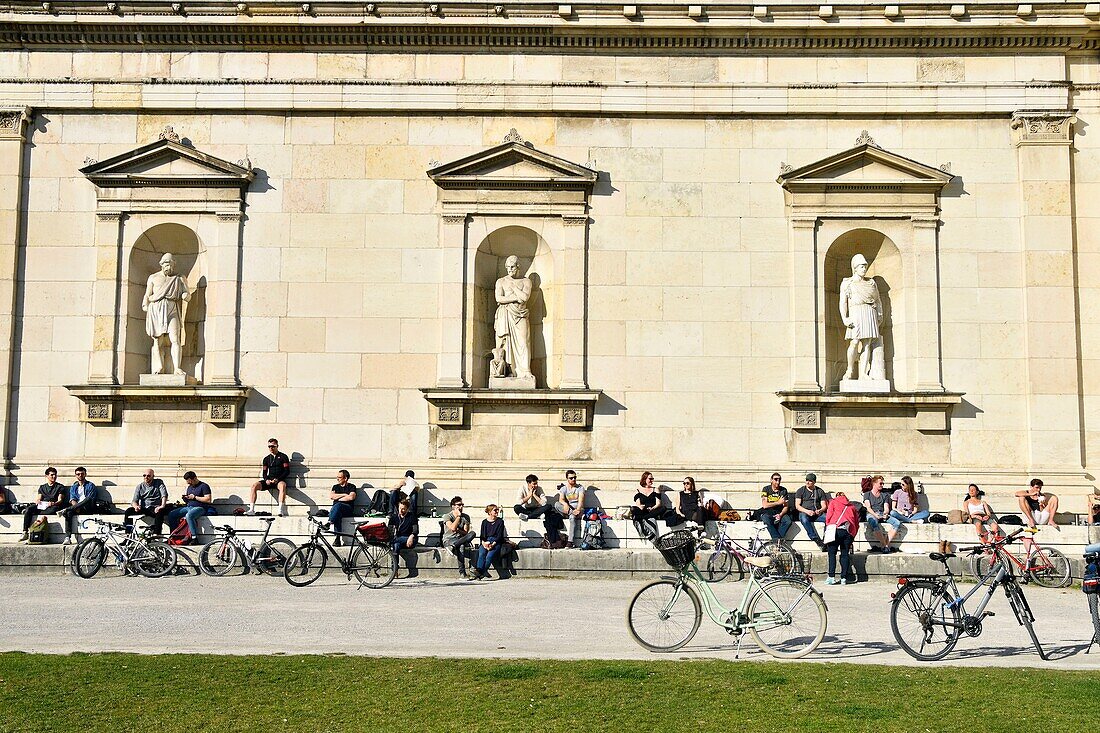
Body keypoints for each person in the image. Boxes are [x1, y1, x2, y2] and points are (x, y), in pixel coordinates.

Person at [142, 252, 191, 376]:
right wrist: (145, 305)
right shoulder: (153, 277)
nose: (168, 267)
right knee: (157, 341)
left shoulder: (179, 278)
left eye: (170, 265)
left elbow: (187, 293)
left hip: (171, 308)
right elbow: (148, 294)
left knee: (175, 339)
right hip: (156, 309)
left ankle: (177, 368)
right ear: (161, 265)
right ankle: (159, 367)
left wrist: (186, 295)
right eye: (166, 264)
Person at [19, 467, 67, 542]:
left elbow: (60, 500)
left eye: (55, 475)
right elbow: (39, 498)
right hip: (43, 505)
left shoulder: (60, 487)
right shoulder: (42, 487)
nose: (54, 477)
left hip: (53, 505)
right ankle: (25, 532)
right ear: (47, 476)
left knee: (53, 510)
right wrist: (38, 501)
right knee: (29, 509)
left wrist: (53, 503)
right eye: (52, 475)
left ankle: (29, 512)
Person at [165, 471, 214, 543]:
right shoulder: (189, 487)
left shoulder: (204, 486)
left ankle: (194, 537)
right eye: (188, 482)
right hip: (189, 506)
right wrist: (186, 499)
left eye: (190, 482)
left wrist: (194, 497)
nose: (189, 484)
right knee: (172, 514)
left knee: (189, 516)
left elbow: (208, 499)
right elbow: (189, 500)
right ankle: (174, 536)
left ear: (195, 478)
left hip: (200, 507)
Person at [514, 473, 563, 543]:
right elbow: (518, 502)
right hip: (527, 509)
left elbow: (544, 503)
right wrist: (529, 496)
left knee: (548, 506)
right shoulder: (522, 488)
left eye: (536, 483)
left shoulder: (539, 489)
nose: (536, 485)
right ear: (528, 483)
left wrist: (534, 495)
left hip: (537, 509)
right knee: (516, 508)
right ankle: (535, 515)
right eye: (534, 484)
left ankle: (528, 516)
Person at [246, 438, 290, 517]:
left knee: (283, 486)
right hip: (269, 480)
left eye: (273, 446)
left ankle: (280, 510)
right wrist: (266, 480)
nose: (271, 448)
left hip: (279, 480)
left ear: (277, 446)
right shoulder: (266, 459)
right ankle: (251, 509)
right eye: (269, 446)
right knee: (254, 486)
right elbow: (264, 472)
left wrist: (278, 479)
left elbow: (287, 471)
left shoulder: (283, 457)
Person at [824, 492, 859, 585]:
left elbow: (828, 517)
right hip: (847, 532)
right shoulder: (852, 507)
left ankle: (831, 577)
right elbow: (856, 523)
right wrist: (853, 535)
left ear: (837, 497)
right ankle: (844, 578)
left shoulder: (833, 502)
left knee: (832, 554)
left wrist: (828, 527)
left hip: (835, 530)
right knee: (845, 554)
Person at [59, 467, 99, 545]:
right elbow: (72, 499)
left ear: (85, 474)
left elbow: (89, 499)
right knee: (68, 513)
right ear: (76, 475)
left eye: (82, 474)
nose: (80, 475)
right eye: (78, 474)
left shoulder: (91, 485)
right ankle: (68, 537)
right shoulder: (74, 486)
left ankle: (67, 509)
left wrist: (77, 507)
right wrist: (76, 506)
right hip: (77, 507)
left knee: (85, 501)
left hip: (88, 507)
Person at [123, 469, 170, 535]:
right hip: (145, 508)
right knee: (128, 511)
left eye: (148, 476)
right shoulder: (140, 486)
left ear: (153, 476)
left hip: (156, 508)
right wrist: (136, 506)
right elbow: (134, 501)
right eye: (144, 475)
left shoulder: (159, 482)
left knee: (160, 511)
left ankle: (157, 534)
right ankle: (128, 534)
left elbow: (164, 495)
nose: (146, 477)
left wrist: (162, 505)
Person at [441, 496, 475, 578]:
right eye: (459, 505)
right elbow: (452, 528)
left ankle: (454, 546)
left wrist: (458, 530)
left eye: (462, 505)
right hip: (449, 540)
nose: (461, 507)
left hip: (460, 539)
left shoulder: (466, 517)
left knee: (472, 533)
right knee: (461, 546)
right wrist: (458, 517)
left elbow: (465, 532)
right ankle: (462, 573)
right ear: (453, 506)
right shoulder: (447, 516)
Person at [471, 504, 506, 581]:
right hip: (486, 541)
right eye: (495, 510)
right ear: (490, 512)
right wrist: (483, 543)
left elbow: (500, 536)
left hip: (495, 542)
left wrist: (493, 544)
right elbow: (482, 535)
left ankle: (480, 573)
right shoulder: (484, 522)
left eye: (497, 510)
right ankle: (481, 572)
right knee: (482, 554)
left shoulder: (500, 521)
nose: (497, 511)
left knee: (489, 556)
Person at [863, 475, 898, 553]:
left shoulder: (884, 495)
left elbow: (886, 506)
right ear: (874, 483)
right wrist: (875, 515)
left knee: (897, 523)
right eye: (880, 483)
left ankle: (886, 544)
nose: (882, 485)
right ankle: (885, 546)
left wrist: (885, 513)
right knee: (873, 522)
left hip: (882, 513)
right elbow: (868, 507)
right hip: (872, 513)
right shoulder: (867, 494)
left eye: (883, 483)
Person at [795, 473, 829, 549]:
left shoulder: (819, 491)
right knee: (804, 519)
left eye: (810, 481)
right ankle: (815, 538)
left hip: (817, 513)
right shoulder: (801, 490)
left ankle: (826, 540)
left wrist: (820, 510)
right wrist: (807, 511)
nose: (807, 482)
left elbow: (824, 506)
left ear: (814, 482)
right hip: (805, 512)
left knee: (828, 519)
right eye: (806, 480)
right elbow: (797, 506)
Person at [554, 469, 585, 547]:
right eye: (571, 478)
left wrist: (577, 510)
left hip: (578, 509)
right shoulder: (564, 488)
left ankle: (570, 542)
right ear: (567, 479)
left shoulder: (580, 488)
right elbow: (561, 499)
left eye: (575, 477)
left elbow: (581, 501)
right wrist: (565, 504)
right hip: (568, 509)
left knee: (572, 517)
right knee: (556, 504)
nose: (573, 479)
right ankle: (570, 513)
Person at [631, 471, 665, 540]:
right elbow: (638, 504)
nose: (652, 480)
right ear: (645, 479)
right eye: (650, 479)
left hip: (653, 510)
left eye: (652, 479)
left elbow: (658, 503)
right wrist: (641, 507)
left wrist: (653, 508)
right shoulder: (638, 490)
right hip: (643, 510)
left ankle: (643, 518)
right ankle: (644, 517)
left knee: (663, 508)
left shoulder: (655, 489)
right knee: (633, 509)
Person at [760, 472, 792, 541]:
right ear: (771, 480)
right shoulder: (766, 489)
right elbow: (765, 505)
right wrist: (778, 502)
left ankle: (776, 541)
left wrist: (780, 515)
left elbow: (786, 506)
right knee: (765, 518)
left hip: (779, 511)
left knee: (788, 521)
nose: (778, 481)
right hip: (768, 511)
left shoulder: (783, 490)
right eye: (775, 479)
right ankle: (778, 541)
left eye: (779, 479)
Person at [328, 470, 356, 546]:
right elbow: (331, 496)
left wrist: (337, 498)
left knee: (338, 505)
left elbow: (351, 497)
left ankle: (329, 522)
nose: (337, 479)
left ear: (345, 478)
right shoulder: (335, 487)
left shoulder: (351, 486)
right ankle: (337, 539)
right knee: (338, 514)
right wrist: (344, 494)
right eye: (337, 477)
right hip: (338, 510)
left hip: (348, 509)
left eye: (339, 477)